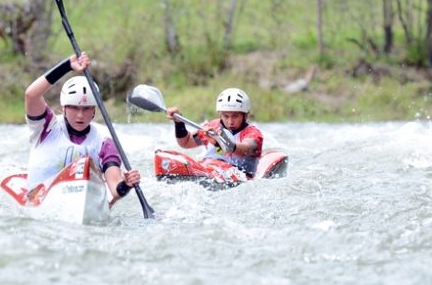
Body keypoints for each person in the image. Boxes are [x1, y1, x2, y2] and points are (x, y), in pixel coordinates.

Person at [24, 52, 140, 199]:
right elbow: (31, 95)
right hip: (39, 196)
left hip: (84, 200)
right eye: (74, 107)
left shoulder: (105, 140)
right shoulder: (46, 127)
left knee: (87, 164)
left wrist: (126, 184)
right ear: (64, 107)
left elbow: (115, 189)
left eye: (86, 108)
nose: (80, 115)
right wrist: (66, 66)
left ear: (94, 110)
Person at [165, 87, 263, 177]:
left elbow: (246, 149)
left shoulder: (252, 133)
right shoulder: (213, 127)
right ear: (220, 114)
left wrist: (219, 141)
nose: (230, 121)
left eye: (235, 116)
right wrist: (179, 123)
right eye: (226, 116)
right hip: (211, 168)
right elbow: (185, 142)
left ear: (245, 115)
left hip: (240, 174)